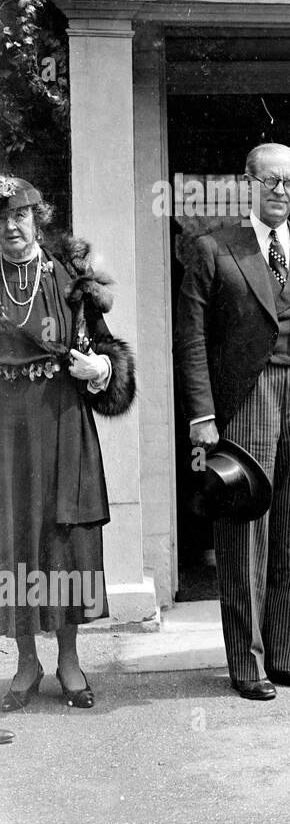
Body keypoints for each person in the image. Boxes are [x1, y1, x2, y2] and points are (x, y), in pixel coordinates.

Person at [174, 144, 290, 700]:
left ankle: (286, 655)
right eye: (270, 181)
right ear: (249, 183)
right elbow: (192, 338)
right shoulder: (212, 248)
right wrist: (202, 415)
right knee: (245, 530)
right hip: (246, 398)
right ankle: (245, 662)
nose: (281, 191)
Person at [1, 175, 136, 713]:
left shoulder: (68, 278)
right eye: (1, 220)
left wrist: (101, 367)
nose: (11, 227)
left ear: (38, 220)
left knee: (64, 535)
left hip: (61, 419)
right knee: (15, 537)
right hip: (6, 427)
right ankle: (26, 661)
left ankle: (70, 659)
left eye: (20, 217)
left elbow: (105, 349)